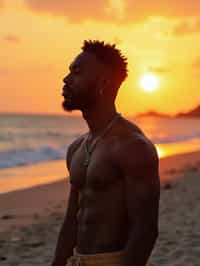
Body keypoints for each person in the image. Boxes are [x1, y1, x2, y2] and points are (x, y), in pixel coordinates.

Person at [51, 40, 160, 266]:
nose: (66, 79)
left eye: (77, 72)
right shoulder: (77, 148)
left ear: (103, 82)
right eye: (69, 71)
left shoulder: (132, 147)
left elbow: (145, 229)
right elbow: (71, 221)